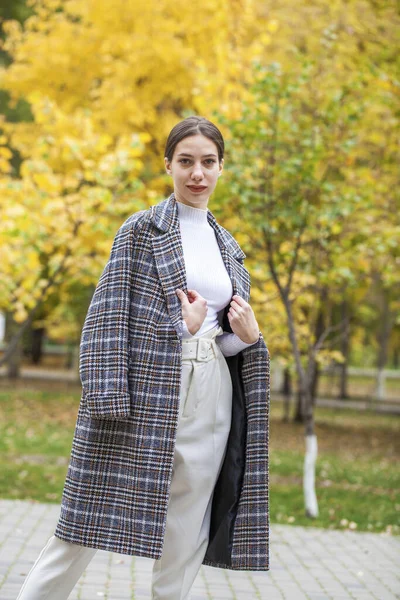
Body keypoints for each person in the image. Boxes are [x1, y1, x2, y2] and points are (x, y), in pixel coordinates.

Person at [16, 116, 270, 600]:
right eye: (186, 162)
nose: (198, 173)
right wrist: (179, 329)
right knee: (86, 517)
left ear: (222, 169)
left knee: (188, 523)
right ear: (169, 166)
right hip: (148, 386)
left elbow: (221, 337)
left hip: (211, 386)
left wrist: (247, 339)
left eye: (208, 162)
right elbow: (106, 316)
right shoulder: (140, 229)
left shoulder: (229, 247)